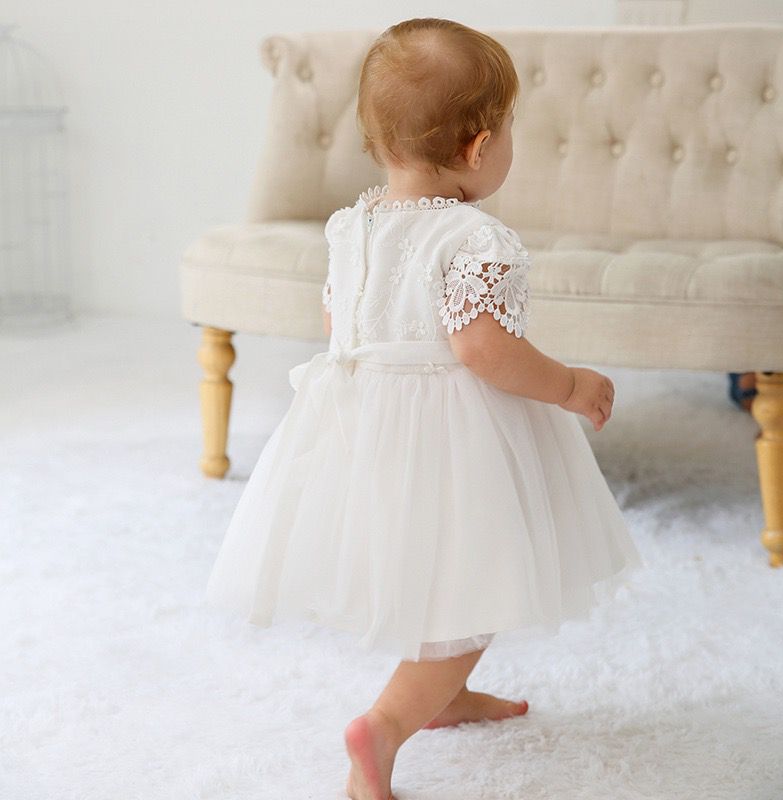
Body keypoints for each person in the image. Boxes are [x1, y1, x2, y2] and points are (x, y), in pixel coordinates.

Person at [205, 17, 645, 800]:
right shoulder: (474, 238)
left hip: (365, 431)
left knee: (437, 576)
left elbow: (342, 325)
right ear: (480, 148)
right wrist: (570, 385)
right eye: (510, 130)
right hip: (454, 437)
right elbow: (484, 350)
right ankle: (384, 727)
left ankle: (447, 696)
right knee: (479, 584)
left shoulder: (353, 226)